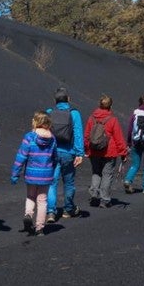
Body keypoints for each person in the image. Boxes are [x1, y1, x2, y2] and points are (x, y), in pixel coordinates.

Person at [11, 112, 57, 236]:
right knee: (42, 200)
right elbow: (55, 157)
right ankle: (40, 228)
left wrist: (15, 173)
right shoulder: (52, 139)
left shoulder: (29, 137)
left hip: (31, 173)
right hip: (46, 174)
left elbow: (21, 156)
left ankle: (28, 214)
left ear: (35, 122)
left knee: (30, 196)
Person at [45, 88, 84, 223]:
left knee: (52, 182)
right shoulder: (74, 114)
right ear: (68, 99)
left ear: (55, 100)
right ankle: (68, 209)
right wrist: (80, 153)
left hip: (52, 151)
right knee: (68, 182)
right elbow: (78, 134)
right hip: (69, 152)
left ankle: (50, 212)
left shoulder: (49, 113)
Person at [84, 94, 128, 208]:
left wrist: (87, 149)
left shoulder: (91, 118)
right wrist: (123, 153)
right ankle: (105, 199)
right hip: (109, 152)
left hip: (94, 151)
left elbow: (87, 135)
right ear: (110, 106)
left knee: (96, 172)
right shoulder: (112, 120)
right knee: (107, 175)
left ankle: (94, 194)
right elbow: (118, 138)